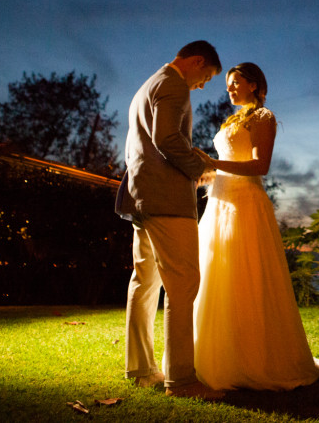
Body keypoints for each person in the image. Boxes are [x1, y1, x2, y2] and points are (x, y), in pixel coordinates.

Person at [193, 62, 319, 391]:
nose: (229, 89)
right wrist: (202, 176)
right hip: (220, 204)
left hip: (246, 206)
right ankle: (214, 357)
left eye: (236, 82)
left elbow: (259, 165)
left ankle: (255, 359)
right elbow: (229, 168)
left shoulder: (262, 118)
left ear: (254, 85)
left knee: (247, 276)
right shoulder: (233, 119)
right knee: (217, 276)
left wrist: (211, 161)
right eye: (228, 84)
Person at [115, 40, 225, 400]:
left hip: (141, 196)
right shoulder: (174, 84)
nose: (203, 85)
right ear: (196, 62)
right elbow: (166, 138)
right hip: (166, 201)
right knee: (182, 285)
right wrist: (199, 169)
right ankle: (181, 381)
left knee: (144, 281)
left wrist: (193, 157)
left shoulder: (148, 84)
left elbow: (150, 142)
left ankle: (141, 368)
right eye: (206, 76)